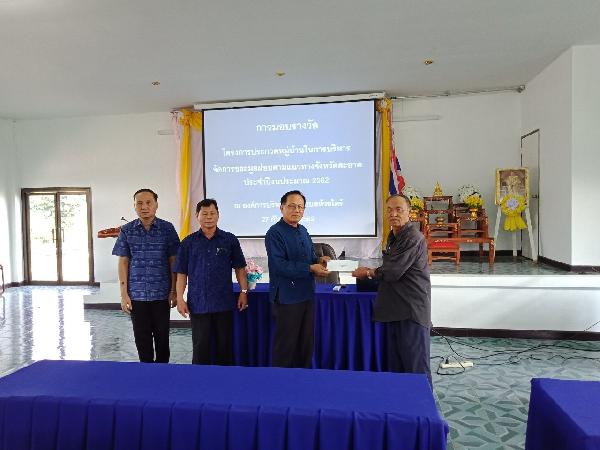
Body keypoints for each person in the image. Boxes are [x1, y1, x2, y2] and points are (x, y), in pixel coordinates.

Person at [352, 194, 432, 385]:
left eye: (398, 210)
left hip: (411, 310)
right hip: (396, 309)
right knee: (398, 367)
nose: (393, 214)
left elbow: (393, 271)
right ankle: (402, 403)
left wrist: (369, 272)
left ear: (409, 212)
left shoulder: (412, 237)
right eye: (389, 210)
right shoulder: (394, 235)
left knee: (416, 368)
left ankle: (422, 404)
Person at [174, 199, 248, 365]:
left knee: (225, 346)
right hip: (198, 303)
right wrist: (180, 298)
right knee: (201, 347)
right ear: (197, 216)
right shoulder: (188, 242)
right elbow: (181, 273)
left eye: (212, 213)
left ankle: (225, 378)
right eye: (205, 213)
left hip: (224, 302)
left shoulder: (229, 240)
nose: (209, 217)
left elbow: (240, 268)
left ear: (218, 215)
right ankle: (200, 378)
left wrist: (243, 292)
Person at [112, 188, 180, 363]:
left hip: (162, 294)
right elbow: (123, 262)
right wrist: (124, 294)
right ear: (134, 206)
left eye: (148, 202)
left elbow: (174, 261)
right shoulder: (127, 230)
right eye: (139, 203)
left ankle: (163, 372)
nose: (144, 207)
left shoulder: (167, 229)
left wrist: (174, 291)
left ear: (156, 205)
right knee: (142, 340)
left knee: (162, 338)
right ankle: (146, 373)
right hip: (137, 295)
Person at [265, 190, 330, 368]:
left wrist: (320, 260)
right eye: (292, 206)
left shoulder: (303, 230)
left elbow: (310, 258)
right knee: (286, 347)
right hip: (287, 298)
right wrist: (310, 268)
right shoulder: (274, 233)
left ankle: (303, 379)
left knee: (305, 344)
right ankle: (281, 381)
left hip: (306, 295)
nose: (297, 210)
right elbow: (279, 265)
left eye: (301, 207)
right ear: (282, 208)